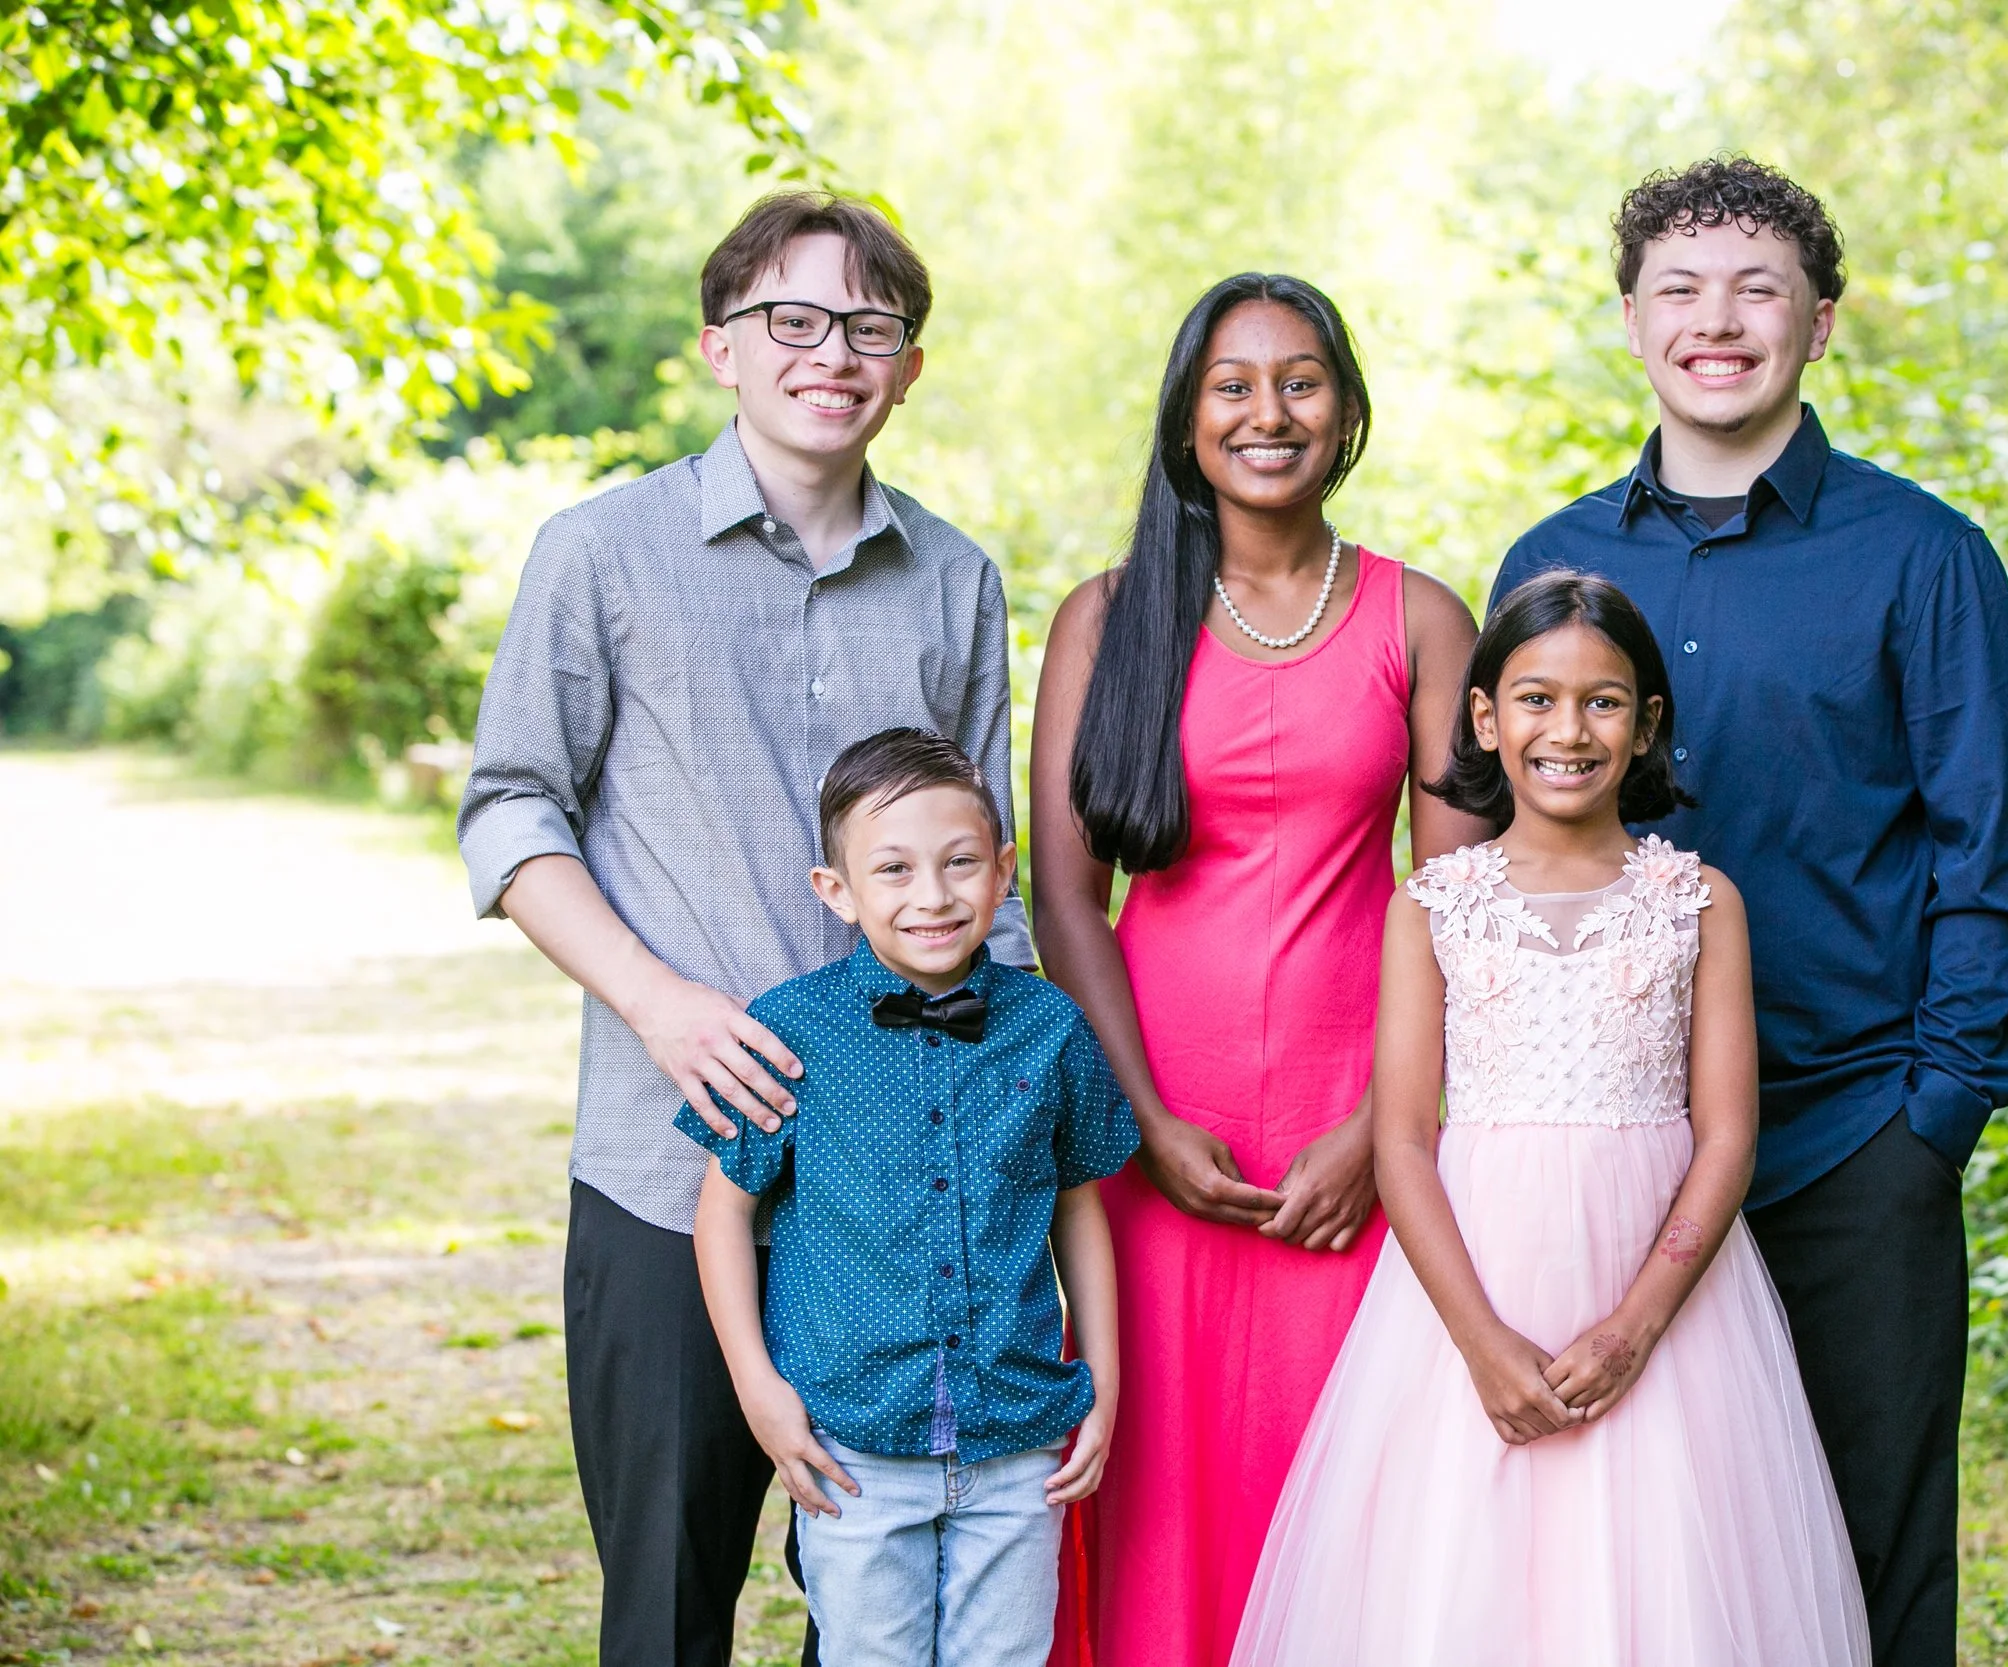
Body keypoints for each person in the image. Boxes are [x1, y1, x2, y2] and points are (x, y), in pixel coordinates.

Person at [457, 190, 1033, 1667]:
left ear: (908, 366)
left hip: (905, 1193)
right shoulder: (599, 553)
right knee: (669, 1597)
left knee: (895, 1602)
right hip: (670, 1159)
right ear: (721, 345)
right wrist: (657, 1001)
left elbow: (989, 883)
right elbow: (512, 809)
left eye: (870, 325)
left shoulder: (958, 580)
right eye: (792, 317)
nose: (830, 350)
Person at [1490, 157, 2008, 1667]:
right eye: (1680, 287)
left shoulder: (1923, 557)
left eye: (1757, 288)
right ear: (1631, 318)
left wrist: (1935, 1112)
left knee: (1868, 1551)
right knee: (1630, 1567)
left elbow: (1989, 862)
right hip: (1607, 1152)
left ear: (1820, 322)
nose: (1716, 320)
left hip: (1849, 1130)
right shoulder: (1556, 564)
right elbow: (1498, 850)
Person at [1232, 571, 1869, 1666]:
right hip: (1474, 1286)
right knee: (1459, 1576)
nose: (1566, 729)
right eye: (1534, 697)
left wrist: (1636, 1324)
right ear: (1484, 716)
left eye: (1603, 700)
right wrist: (1478, 1343)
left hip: (1664, 1297)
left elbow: (1725, 1135)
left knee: (1668, 1569)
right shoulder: (1433, 903)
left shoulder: (1698, 900)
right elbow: (1400, 1139)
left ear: (1646, 721)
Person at [1028, 273, 1486, 1666]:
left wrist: (1384, 1131)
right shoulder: (1105, 620)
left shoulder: (1420, 617)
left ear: (1345, 410)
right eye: (1232, 383)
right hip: (1157, 1120)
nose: (1267, 411)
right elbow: (1065, 895)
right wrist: (1141, 1119)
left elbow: (1466, 903)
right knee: (1159, 1480)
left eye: (1300, 380)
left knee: (1348, 1475)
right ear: (1187, 417)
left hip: (1364, 1127)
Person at [678, 727, 1137, 1667]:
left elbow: (1078, 1204)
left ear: (1004, 869)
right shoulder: (787, 1031)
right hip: (854, 1444)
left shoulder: (1050, 1025)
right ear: (836, 891)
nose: (932, 895)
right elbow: (722, 1211)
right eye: (893, 869)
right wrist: (759, 1390)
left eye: (960, 862)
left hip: (1016, 1441)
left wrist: (1106, 1374)